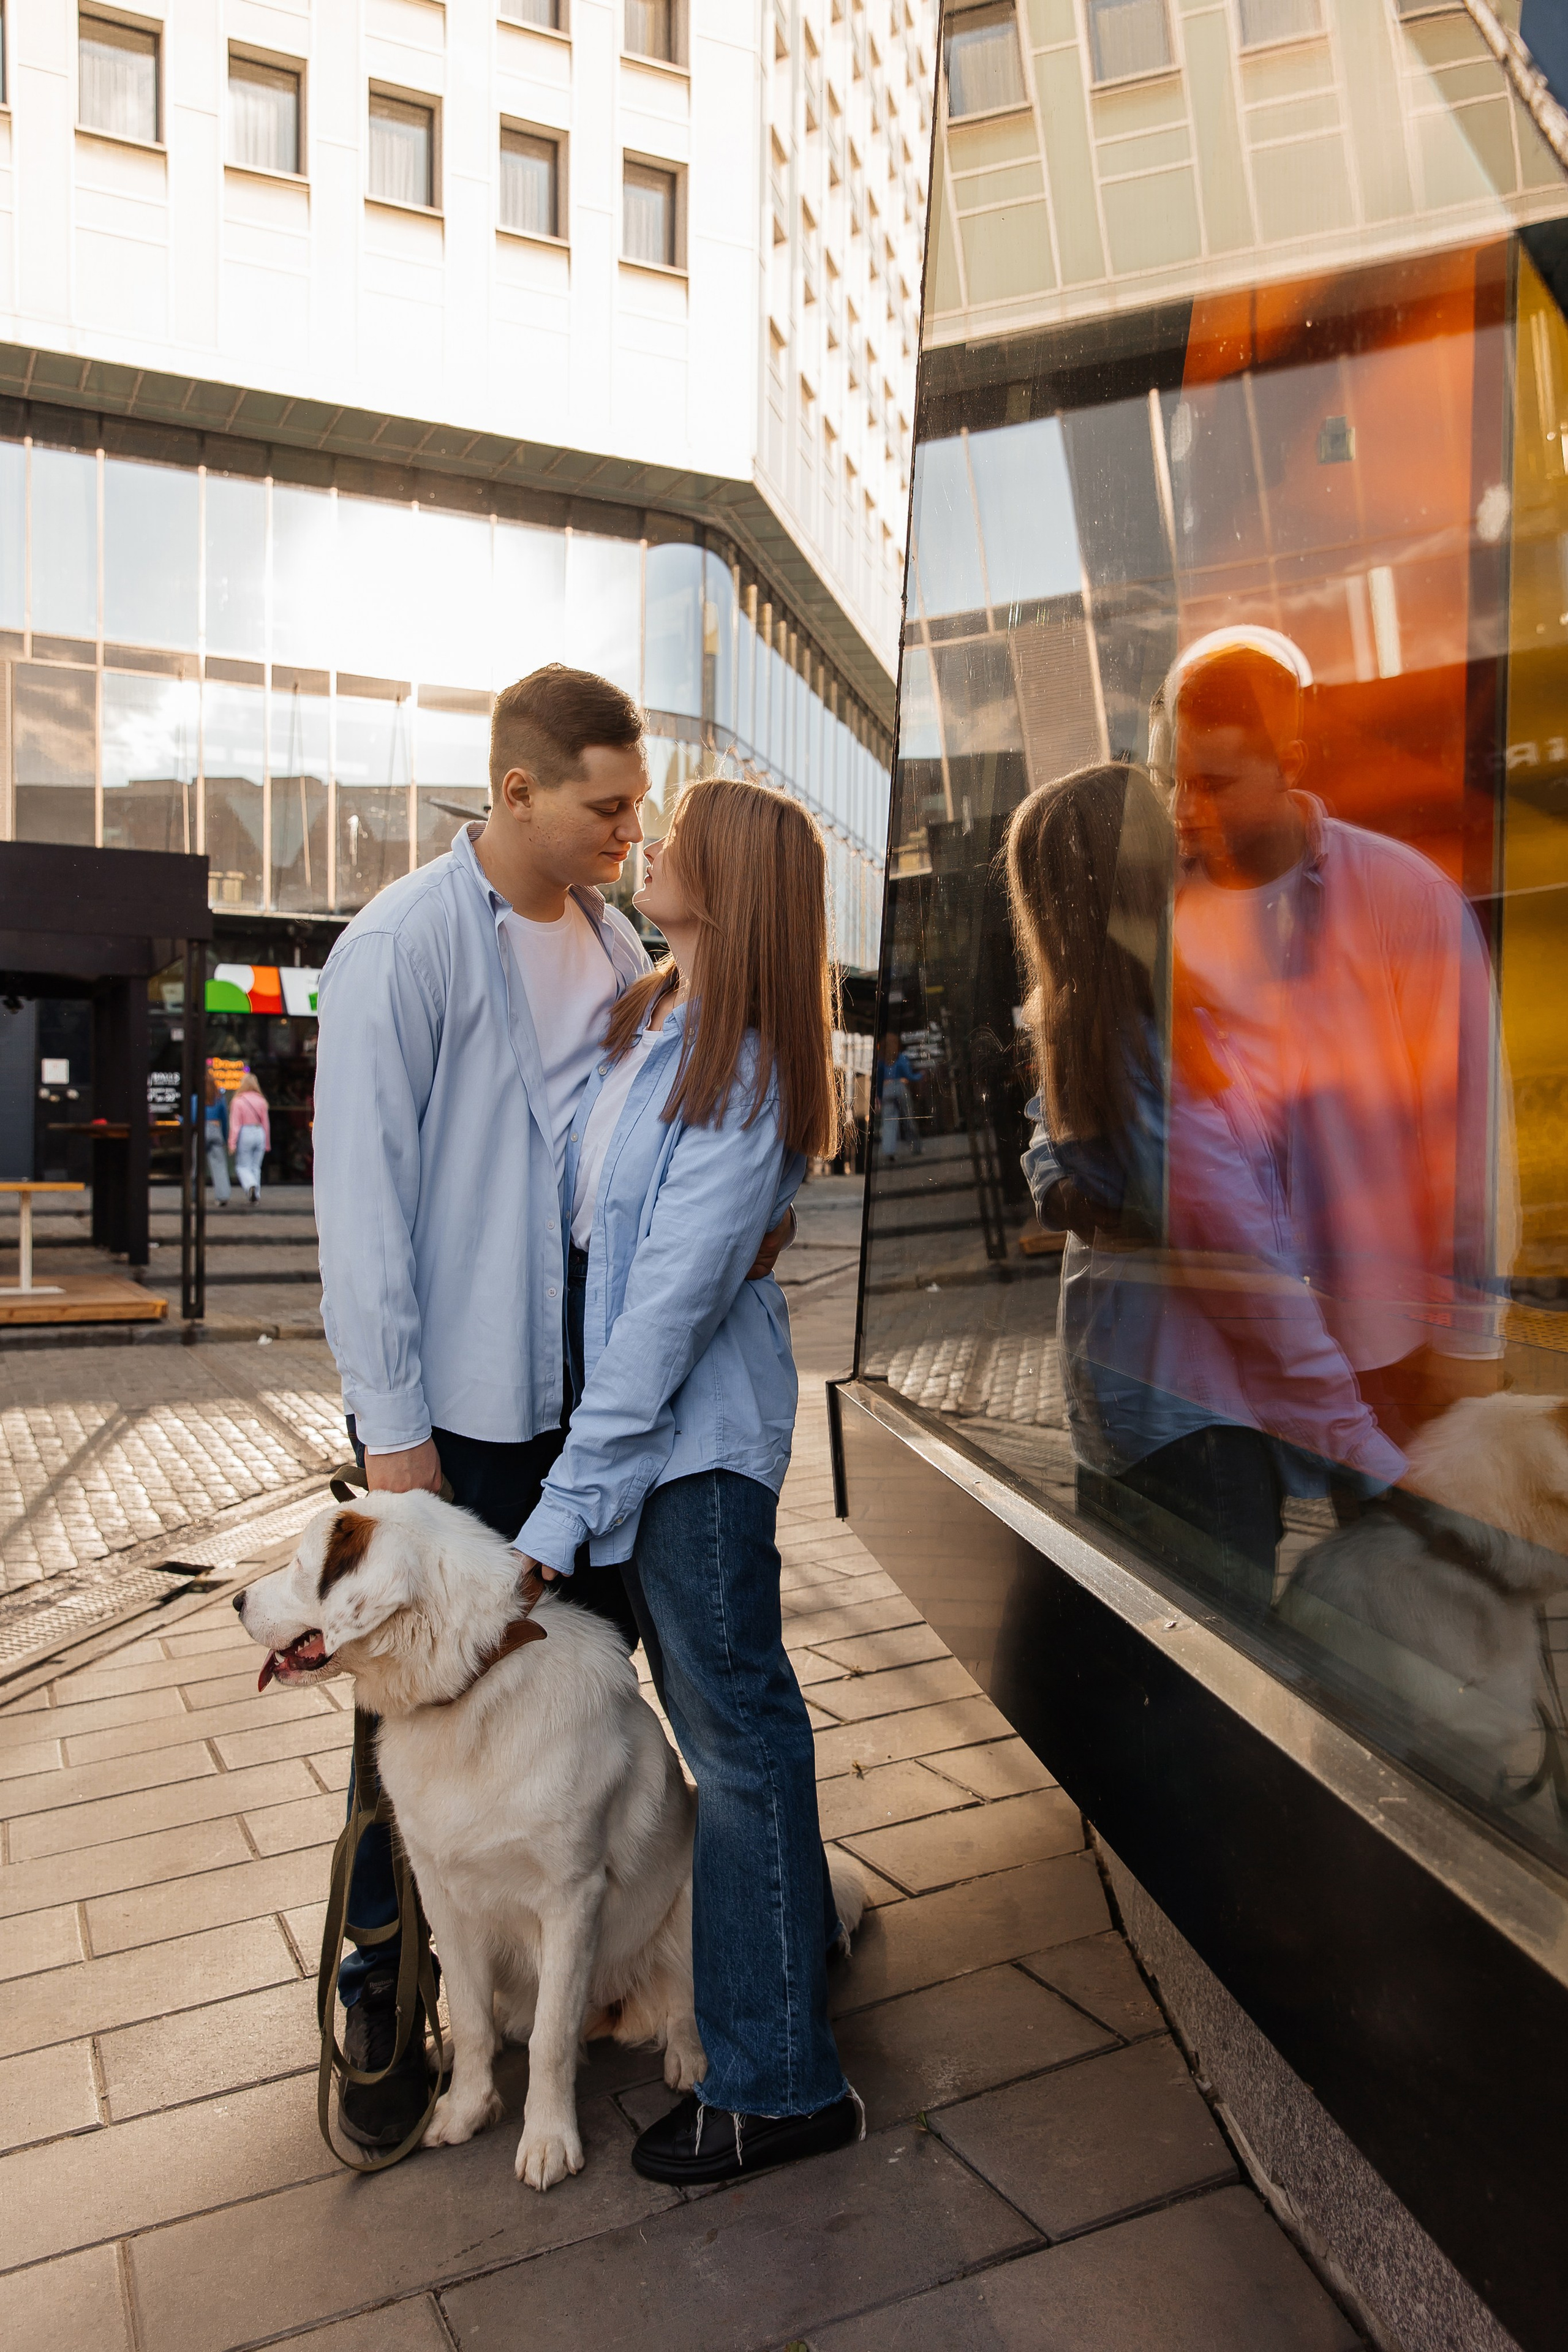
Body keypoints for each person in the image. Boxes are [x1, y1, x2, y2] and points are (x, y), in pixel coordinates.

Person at [311, 666, 791, 2154]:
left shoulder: (611, 943)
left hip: (582, 1425)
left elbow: (666, 1155)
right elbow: (363, 1209)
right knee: (409, 1717)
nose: (627, 828)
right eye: (607, 803)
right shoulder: (401, 945)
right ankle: (387, 2006)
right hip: (442, 1425)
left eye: (640, 807)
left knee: (558, 1728)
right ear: (515, 792)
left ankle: (597, 1978)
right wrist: (395, 1444)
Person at [514, 774, 861, 2185]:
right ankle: (796, 1957)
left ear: (733, 876)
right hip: (639, 1445)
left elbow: (661, 1304)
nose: (649, 844)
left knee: (737, 1741)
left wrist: (562, 1503)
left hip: (694, 1454)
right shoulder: (645, 1018)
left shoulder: (756, 1061)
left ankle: (781, 2078)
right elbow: (590, 1242)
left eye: (675, 836)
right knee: (736, 1736)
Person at [1007, 757, 1406, 1618]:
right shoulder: (1159, 1037)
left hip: (1120, 1411)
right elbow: (1242, 1271)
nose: (1194, 829)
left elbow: (1049, 1147)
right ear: (1145, 871)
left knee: (1156, 1684)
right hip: (1199, 1425)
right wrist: (1359, 1447)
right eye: (1170, 823)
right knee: (1219, 1714)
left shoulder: (1086, 1021)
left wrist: (1070, 1192)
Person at [873, 1030, 919, 1161]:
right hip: (900, 1087)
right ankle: (916, 1147)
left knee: (889, 1122)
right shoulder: (901, 1058)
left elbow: (879, 1081)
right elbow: (910, 1076)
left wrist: (879, 1097)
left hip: (886, 1089)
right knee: (909, 1118)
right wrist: (921, 1075)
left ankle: (889, 1151)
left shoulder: (881, 1061)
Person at [228, 1075, 270, 1203]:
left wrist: (232, 1143)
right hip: (260, 1132)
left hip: (245, 1132)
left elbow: (235, 1125)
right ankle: (255, 1195)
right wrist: (267, 1142)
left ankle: (250, 1185)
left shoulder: (238, 1101)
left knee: (242, 1166)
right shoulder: (262, 1100)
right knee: (256, 1167)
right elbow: (266, 1123)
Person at [203, 1072, 230, 1207]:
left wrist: (180, 1119)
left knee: (196, 1166)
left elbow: (192, 1117)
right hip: (215, 1129)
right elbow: (224, 1119)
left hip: (201, 1130)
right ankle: (222, 1196)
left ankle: (193, 1195)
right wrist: (225, 1138)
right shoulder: (220, 1099)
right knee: (219, 1165)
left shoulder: (196, 1099)